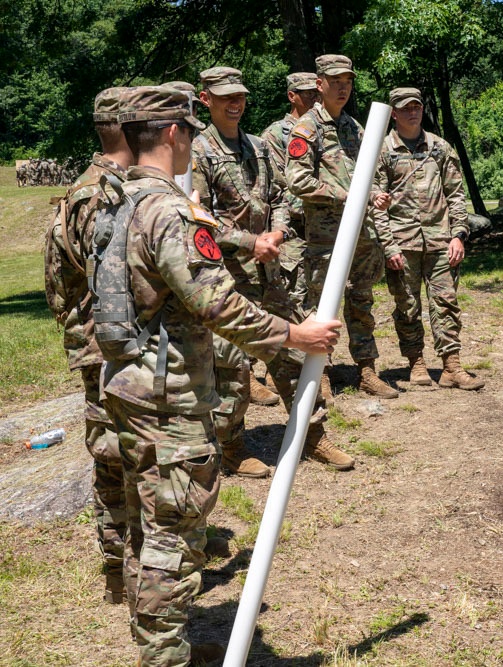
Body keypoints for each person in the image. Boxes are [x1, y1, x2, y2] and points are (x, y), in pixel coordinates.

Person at [103, 85, 341, 667]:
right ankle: (165, 659)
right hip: (169, 396)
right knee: (173, 537)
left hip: (130, 384)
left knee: (148, 524)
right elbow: (217, 304)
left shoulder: (119, 198)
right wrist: (296, 335)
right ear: (173, 133)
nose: (190, 141)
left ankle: (164, 648)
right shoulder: (169, 211)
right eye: (188, 130)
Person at [193, 66, 353, 472]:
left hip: (270, 274)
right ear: (205, 99)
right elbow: (198, 217)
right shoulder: (199, 153)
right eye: (225, 98)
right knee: (232, 368)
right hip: (228, 280)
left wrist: (278, 232)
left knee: (295, 355)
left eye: (240, 96)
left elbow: (282, 194)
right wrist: (251, 242)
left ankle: (312, 437)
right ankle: (232, 449)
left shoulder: (258, 146)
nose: (235, 104)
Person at [43, 87, 132, 604]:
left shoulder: (90, 185)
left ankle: (127, 560)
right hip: (107, 344)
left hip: (96, 341)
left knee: (115, 449)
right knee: (115, 453)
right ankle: (121, 565)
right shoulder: (103, 193)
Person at [286, 54, 397, 399]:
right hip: (326, 233)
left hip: (362, 233)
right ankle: (320, 373)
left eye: (347, 82)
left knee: (362, 300)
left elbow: (368, 173)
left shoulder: (355, 127)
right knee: (321, 305)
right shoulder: (308, 128)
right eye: (335, 82)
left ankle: (367, 370)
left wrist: (374, 194)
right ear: (319, 85)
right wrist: (346, 196)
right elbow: (297, 180)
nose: (343, 88)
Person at [372, 87, 484, 390]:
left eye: (417, 107)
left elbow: (456, 195)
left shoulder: (440, 148)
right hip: (402, 242)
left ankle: (452, 366)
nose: (413, 112)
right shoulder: (382, 152)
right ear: (393, 113)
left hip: (440, 240)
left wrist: (459, 235)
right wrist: (388, 245)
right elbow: (375, 204)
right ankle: (416, 363)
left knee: (446, 303)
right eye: (405, 108)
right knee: (407, 306)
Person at [261, 72, 319, 318]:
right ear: (292, 96)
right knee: (292, 298)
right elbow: (278, 186)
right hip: (293, 229)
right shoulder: (276, 134)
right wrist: (321, 196)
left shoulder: (325, 129)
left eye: (317, 93)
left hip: (323, 227)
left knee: (322, 296)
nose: (315, 98)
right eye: (308, 94)